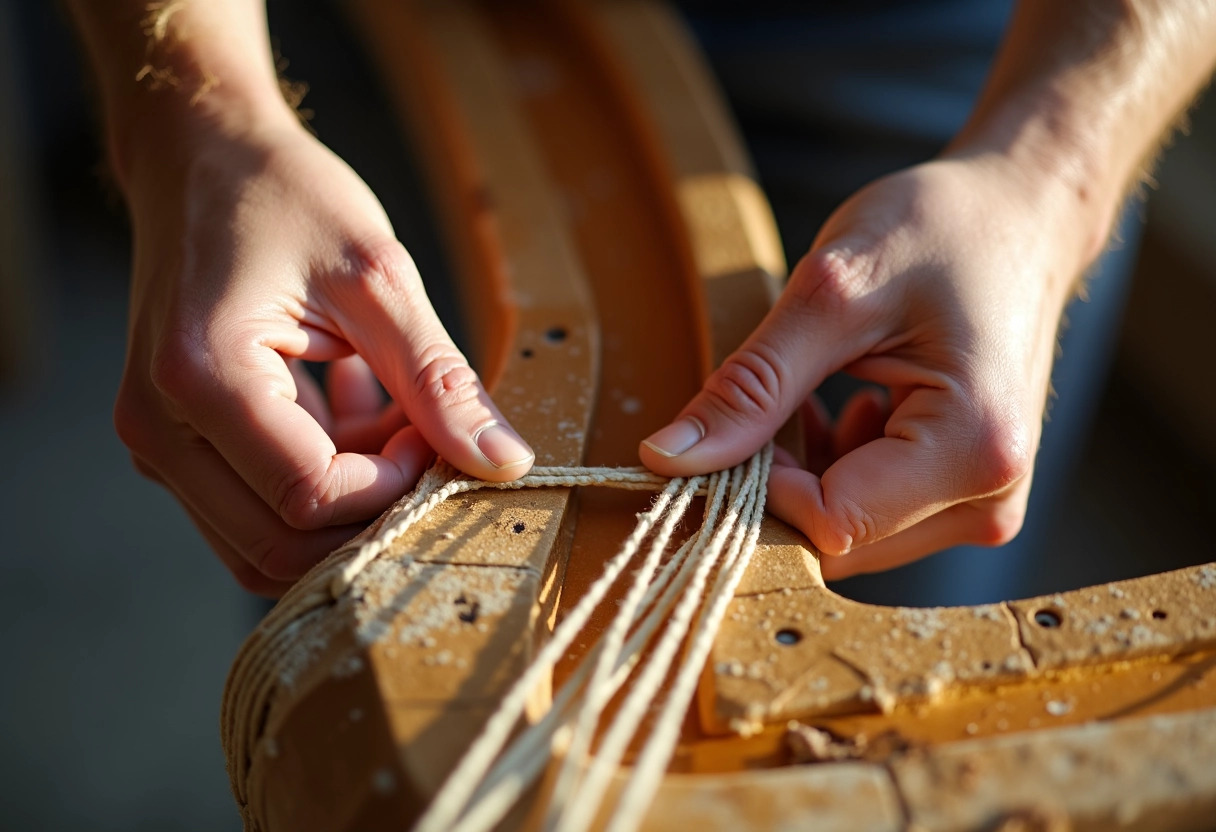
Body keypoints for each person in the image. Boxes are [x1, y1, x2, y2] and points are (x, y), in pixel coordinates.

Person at [67, 0, 1216, 598]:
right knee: (348, 595)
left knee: (866, 653)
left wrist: (1052, 172)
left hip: (953, 54)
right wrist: (199, 118)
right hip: (387, 37)